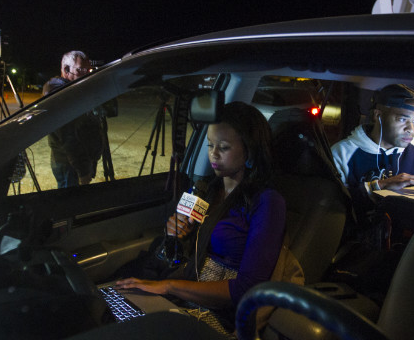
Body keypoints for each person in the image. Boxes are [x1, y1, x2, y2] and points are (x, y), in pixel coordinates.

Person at [114, 101, 286, 336]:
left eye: (223, 147)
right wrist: (175, 237)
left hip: (217, 314)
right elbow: (180, 254)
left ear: (249, 150)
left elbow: (248, 288)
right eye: (209, 145)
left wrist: (169, 286)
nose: (213, 154)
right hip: (181, 294)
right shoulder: (206, 190)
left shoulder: (267, 202)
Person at [331, 84, 414, 242]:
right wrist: (377, 187)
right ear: (377, 115)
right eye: (402, 119)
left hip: (410, 240)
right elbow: (334, 209)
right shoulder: (343, 152)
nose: (411, 129)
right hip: (358, 241)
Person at [43, 51, 103, 188]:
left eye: (88, 70)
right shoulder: (58, 93)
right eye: (81, 69)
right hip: (69, 164)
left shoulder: (74, 90)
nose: (87, 74)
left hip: (74, 162)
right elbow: (68, 137)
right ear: (66, 69)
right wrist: (82, 170)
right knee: (70, 204)